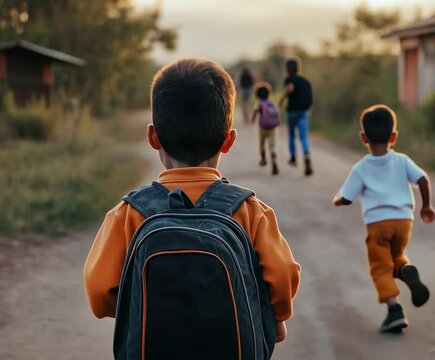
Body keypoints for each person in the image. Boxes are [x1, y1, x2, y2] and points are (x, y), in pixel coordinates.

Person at [84, 58, 300, 353]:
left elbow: (99, 294)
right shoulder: (251, 211)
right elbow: (282, 275)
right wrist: (278, 316)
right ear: (228, 141)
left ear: (153, 137)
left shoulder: (129, 213)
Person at [333, 104, 435, 333]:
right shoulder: (402, 160)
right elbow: (423, 180)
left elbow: (347, 198)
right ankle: (406, 271)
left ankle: (394, 310)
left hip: (378, 225)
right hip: (403, 222)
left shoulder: (361, 168)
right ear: (394, 136)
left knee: (380, 266)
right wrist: (426, 206)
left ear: (363, 138)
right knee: (396, 256)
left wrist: (338, 200)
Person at [278, 57, 313, 176]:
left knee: (292, 135)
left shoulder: (289, 79)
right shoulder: (305, 81)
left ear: (287, 68)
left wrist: (282, 99)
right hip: (303, 111)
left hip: (292, 111)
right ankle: (306, 153)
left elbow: (290, 88)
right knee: (303, 136)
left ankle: (293, 157)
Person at [252, 82, 280, 175]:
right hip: (272, 128)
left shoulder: (259, 103)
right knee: (272, 146)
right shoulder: (271, 103)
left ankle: (263, 159)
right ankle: (274, 159)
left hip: (263, 127)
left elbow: (255, 111)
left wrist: (253, 119)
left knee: (262, 142)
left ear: (257, 95)